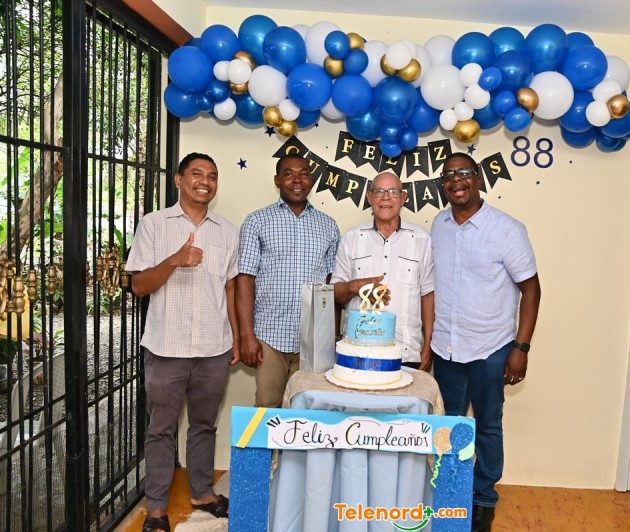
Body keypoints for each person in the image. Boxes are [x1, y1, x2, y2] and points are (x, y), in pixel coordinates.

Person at [126, 153, 239, 532]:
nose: (205, 181)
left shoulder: (227, 231)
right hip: (166, 348)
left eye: (212, 175)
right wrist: (174, 260)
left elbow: (230, 288)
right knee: (161, 429)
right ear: (178, 180)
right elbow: (139, 286)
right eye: (196, 173)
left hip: (213, 348)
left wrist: (236, 338)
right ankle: (157, 508)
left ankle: (202, 494)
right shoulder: (154, 224)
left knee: (204, 425)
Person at [430, 152, 541, 532]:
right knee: (448, 424)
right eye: (448, 175)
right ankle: (451, 492)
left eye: (464, 172)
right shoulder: (439, 225)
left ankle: (483, 499)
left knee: (488, 425)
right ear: (443, 185)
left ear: (478, 179)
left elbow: (531, 290)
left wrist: (521, 348)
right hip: (445, 347)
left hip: (491, 348)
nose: (456, 180)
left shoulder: (507, 229)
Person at [236, 153, 340, 407]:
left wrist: (333, 337)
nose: (297, 180)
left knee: (308, 412)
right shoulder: (257, 221)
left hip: (314, 340)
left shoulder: (328, 225)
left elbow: (333, 286)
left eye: (304, 174)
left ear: (311, 180)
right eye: (289, 174)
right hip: (269, 335)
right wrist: (246, 335)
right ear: (277, 180)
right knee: (267, 409)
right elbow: (245, 279)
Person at [331, 172, 434, 370]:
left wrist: (428, 345)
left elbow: (427, 296)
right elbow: (335, 293)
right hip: (357, 351)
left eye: (393, 191)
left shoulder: (422, 239)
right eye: (379, 191)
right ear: (369, 197)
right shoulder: (351, 238)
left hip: (406, 351)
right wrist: (355, 287)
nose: (386, 197)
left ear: (403, 198)